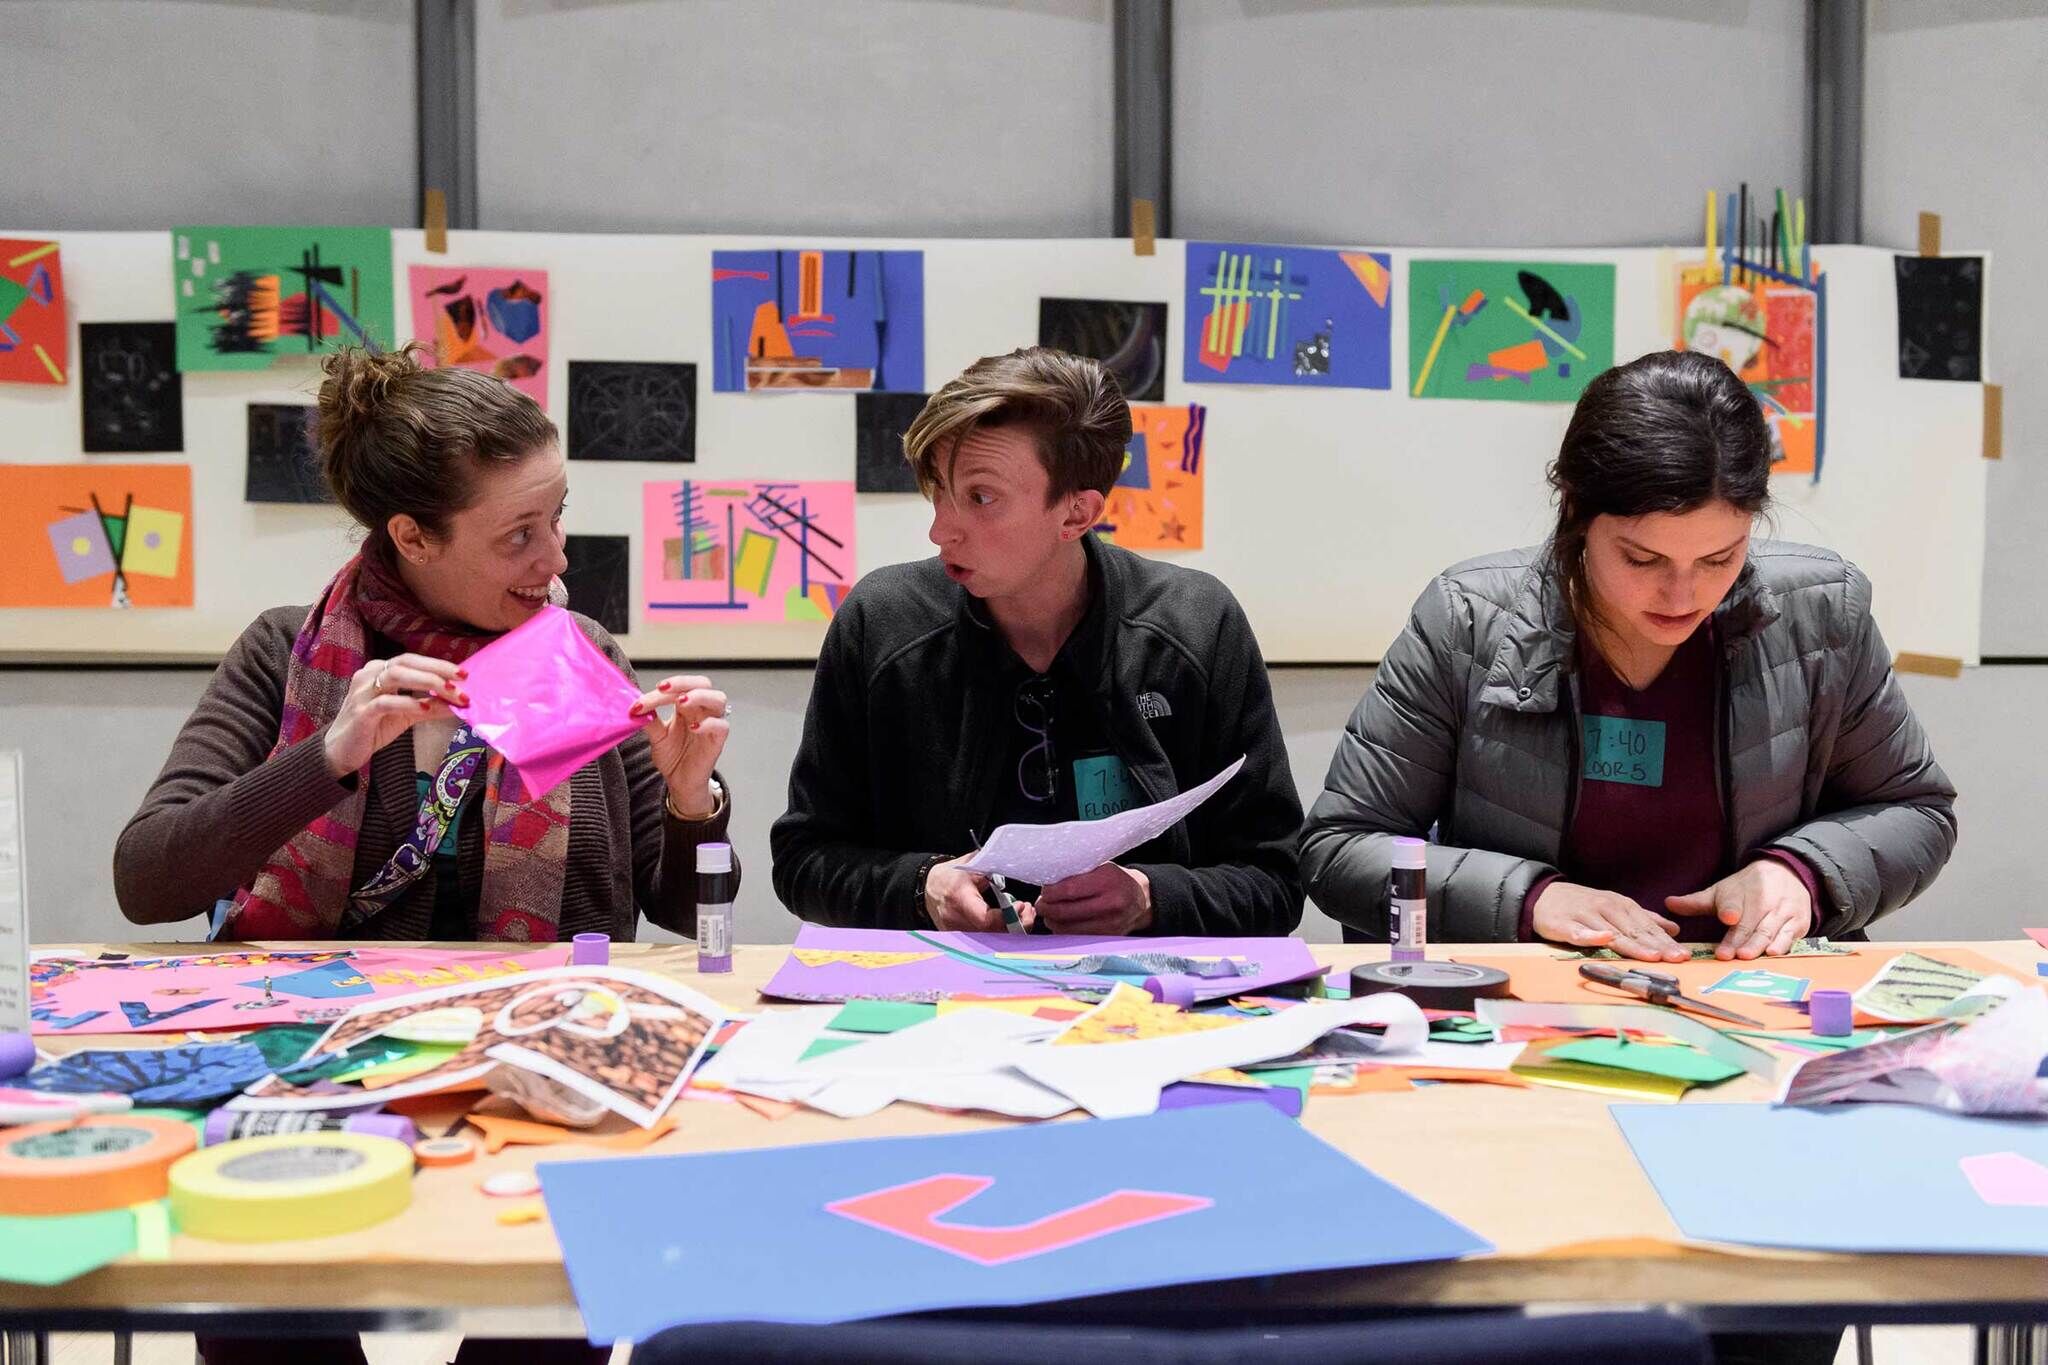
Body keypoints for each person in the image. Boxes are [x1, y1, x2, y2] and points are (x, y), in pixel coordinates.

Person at [1300, 349, 1956, 961]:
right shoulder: (1469, 620)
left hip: (1751, 991)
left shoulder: (1820, 615)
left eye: (1719, 557)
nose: (1683, 591)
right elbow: (1342, 848)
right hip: (1530, 1001)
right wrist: (1529, 900)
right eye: (1642, 558)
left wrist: (1802, 872)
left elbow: (1915, 809)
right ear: (1577, 512)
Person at [115, 343, 734, 950]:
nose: (557, 559)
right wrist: (326, 758)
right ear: (413, 538)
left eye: (556, 516)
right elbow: (145, 886)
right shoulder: (283, 652)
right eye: (519, 536)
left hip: (542, 1024)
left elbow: (689, 914)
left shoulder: (576, 655)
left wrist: (690, 803)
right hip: (337, 1028)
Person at [771, 347, 1302, 935]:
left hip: (1145, 999)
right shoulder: (882, 622)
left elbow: (1275, 880)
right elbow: (804, 861)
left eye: (980, 498)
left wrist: (1153, 897)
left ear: (1076, 514)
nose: (940, 529)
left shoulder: (1196, 625)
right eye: (938, 492)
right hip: (934, 999)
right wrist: (923, 887)